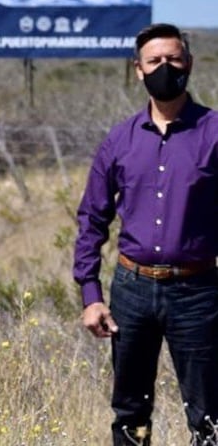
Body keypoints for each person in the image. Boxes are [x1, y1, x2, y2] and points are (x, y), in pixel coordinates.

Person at [74, 23, 218, 446]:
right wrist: (90, 294)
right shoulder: (120, 139)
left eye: (173, 59)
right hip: (132, 291)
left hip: (197, 290)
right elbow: (92, 219)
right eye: (154, 61)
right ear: (138, 70)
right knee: (131, 412)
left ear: (188, 64)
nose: (164, 68)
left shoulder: (213, 132)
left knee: (209, 414)